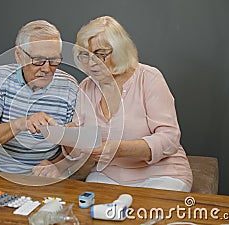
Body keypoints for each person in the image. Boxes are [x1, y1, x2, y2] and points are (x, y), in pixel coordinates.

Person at [65, 16, 192, 192]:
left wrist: (119, 149)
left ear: (119, 50)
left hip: (161, 174)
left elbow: (169, 139)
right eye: (85, 55)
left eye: (101, 54)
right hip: (107, 174)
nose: (92, 62)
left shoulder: (149, 78)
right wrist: (68, 136)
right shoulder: (86, 87)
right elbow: (79, 151)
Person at [0, 20, 78, 177]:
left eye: (54, 61)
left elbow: (79, 149)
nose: (47, 69)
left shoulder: (69, 86)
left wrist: (58, 165)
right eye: (38, 61)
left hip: (43, 172)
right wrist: (22, 123)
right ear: (19, 55)